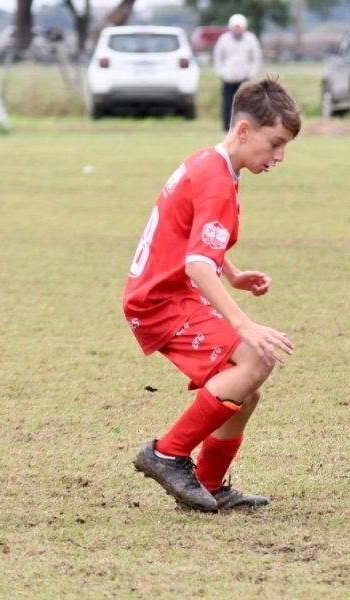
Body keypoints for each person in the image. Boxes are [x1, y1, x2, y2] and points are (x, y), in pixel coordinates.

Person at [123, 77, 301, 512]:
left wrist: (234, 274)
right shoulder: (218, 180)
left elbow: (195, 236)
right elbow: (197, 264)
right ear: (244, 130)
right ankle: (167, 453)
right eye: (275, 143)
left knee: (247, 387)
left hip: (169, 291)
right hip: (162, 299)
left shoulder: (210, 162)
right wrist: (244, 323)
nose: (279, 156)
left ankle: (208, 483)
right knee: (256, 358)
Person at [213, 14, 263, 132]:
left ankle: (244, 127)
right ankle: (227, 128)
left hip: (244, 78)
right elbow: (218, 56)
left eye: (239, 27)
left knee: (245, 105)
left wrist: (251, 73)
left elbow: (256, 57)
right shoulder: (224, 39)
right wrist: (221, 72)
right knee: (228, 104)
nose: (237, 29)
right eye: (235, 27)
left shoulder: (250, 39)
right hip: (228, 78)